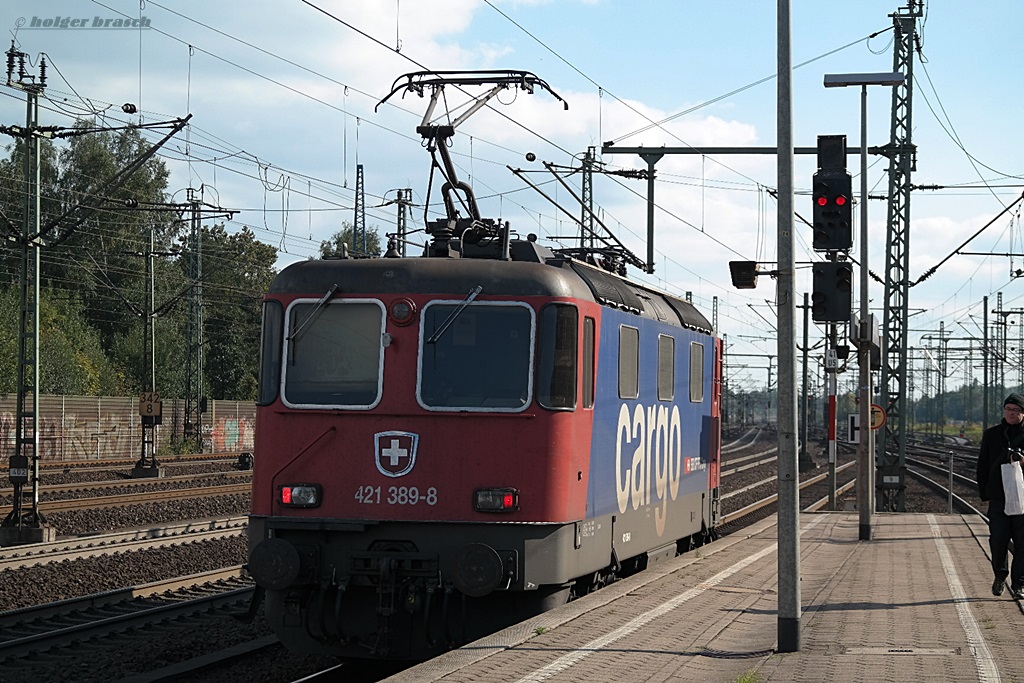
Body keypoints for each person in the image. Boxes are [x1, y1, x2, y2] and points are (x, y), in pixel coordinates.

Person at [977, 393, 1024, 599]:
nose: (1010, 414)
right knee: (998, 539)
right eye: (1008, 410)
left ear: (1023, 413)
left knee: (1023, 543)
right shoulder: (992, 434)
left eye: (1015, 410)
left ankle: (1020, 584)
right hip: (999, 497)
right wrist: (984, 493)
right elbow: (982, 465)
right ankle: (1000, 575)